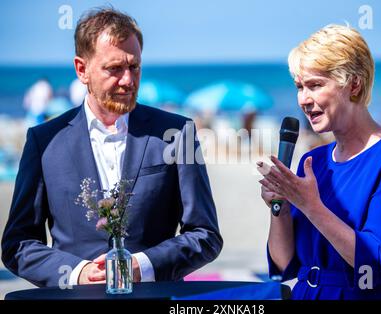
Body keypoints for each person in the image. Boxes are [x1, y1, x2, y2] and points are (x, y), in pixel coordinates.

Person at [1, 8, 222, 287]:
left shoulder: (179, 133)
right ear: (82, 70)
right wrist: (77, 272)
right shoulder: (43, 142)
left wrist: (143, 266)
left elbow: (206, 235)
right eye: (115, 68)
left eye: (134, 67)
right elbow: (18, 244)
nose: (128, 80)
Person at [257, 25, 381, 300]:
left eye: (315, 85)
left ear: (354, 84)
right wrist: (281, 208)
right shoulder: (314, 161)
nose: (303, 99)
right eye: (299, 87)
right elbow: (284, 266)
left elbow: (375, 267)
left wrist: (311, 206)